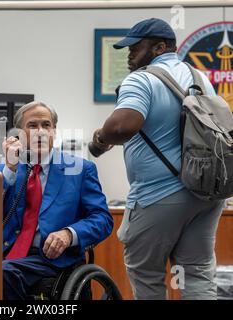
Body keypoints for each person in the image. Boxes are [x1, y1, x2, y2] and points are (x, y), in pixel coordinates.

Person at [91, 18, 224, 300]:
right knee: (197, 272)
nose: (129, 55)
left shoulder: (142, 79)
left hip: (158, 196)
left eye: (135, 48)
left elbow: (122, 126)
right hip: (206, 194)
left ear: (159, 47)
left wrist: (99, 140)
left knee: (146, 274)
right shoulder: (202, 79)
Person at [0, 101, 113, 300]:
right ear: (19, 134)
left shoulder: (81, 169)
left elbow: (103, 219)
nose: (40, 132)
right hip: (9, 253)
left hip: (53, 259)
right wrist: (10, 169)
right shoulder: (4, 172)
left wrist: (69, 234)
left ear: (54, 131)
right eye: (32, 126)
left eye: (46, 125)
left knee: (5, 273)